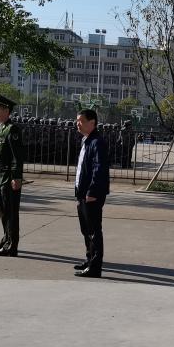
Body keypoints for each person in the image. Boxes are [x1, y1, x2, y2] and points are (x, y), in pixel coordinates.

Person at [72, 109, 111, 278]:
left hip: (92, 194)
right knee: (86, 229)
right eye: (77, 121)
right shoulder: (86, 140)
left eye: (81, 121)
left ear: (92, 123)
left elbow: (99, 169)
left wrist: (93, 191)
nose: (77, 124)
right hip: (83, 193)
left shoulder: (97, 142)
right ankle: (89, 260)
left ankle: (95, 267)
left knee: (94, 230)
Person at [0, 94, 25, 257]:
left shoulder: (12, 129)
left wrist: (16, 177)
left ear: (5, 110)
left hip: (8, 176)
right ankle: (6, 239)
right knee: (3, 211)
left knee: (11, 212)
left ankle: (12, 245)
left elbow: (17, 156)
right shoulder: (0, 127)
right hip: (0, 175)